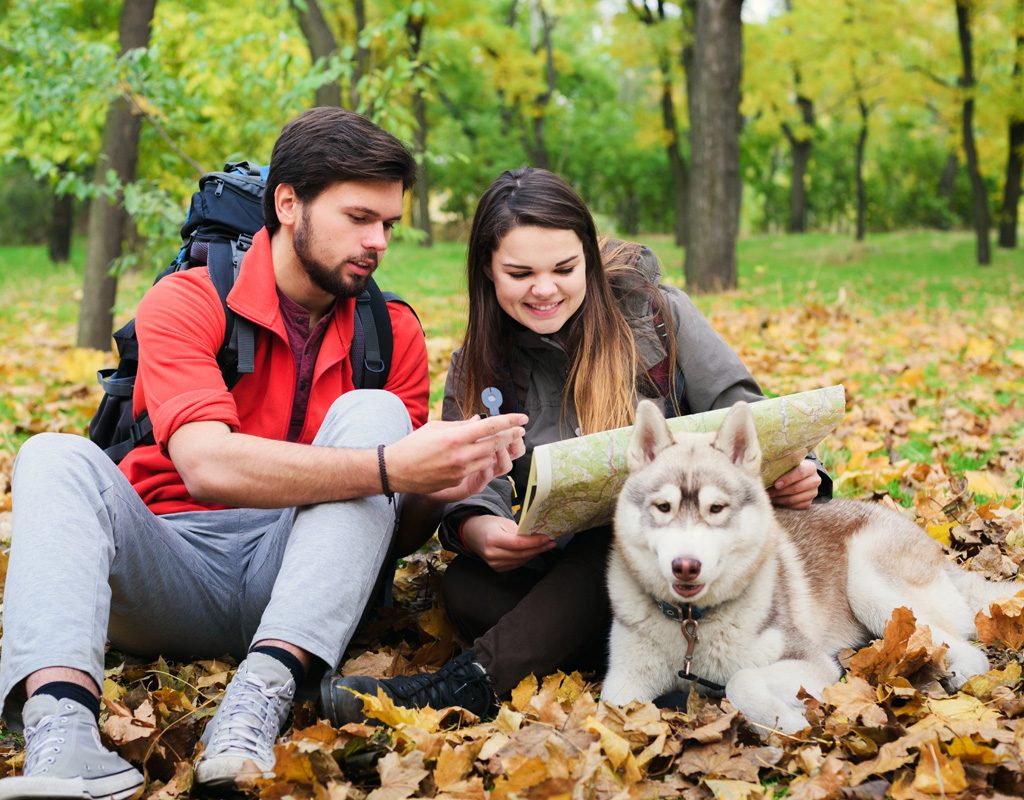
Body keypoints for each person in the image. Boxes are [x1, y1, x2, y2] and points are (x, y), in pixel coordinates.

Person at [0, 108, 527, 800]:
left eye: (389, 225)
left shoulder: (390, 331)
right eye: (359, 217)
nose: (379, 242)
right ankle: (62, 736)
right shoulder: (185, 302)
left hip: (306, 582)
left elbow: (387, 532)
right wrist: (390, 468)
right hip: (171, 566)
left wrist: (444, 479)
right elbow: (207, 466)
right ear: (288, 204)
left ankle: (256, 707)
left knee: (375, 414)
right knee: (50, 457)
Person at [321, 167, 831, 724]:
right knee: (466, 589)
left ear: (588, 257)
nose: (545, 289)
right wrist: (480, 529)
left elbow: (753, 417)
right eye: (520, 272)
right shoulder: (481, 364)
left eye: (565, 268)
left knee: (613, 538)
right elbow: (475, 485)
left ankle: (465, 685)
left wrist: (805, 471)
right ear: (488, 272)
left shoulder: (657, 317)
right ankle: (677, 667)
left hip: (679, 552)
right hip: (575, 576)